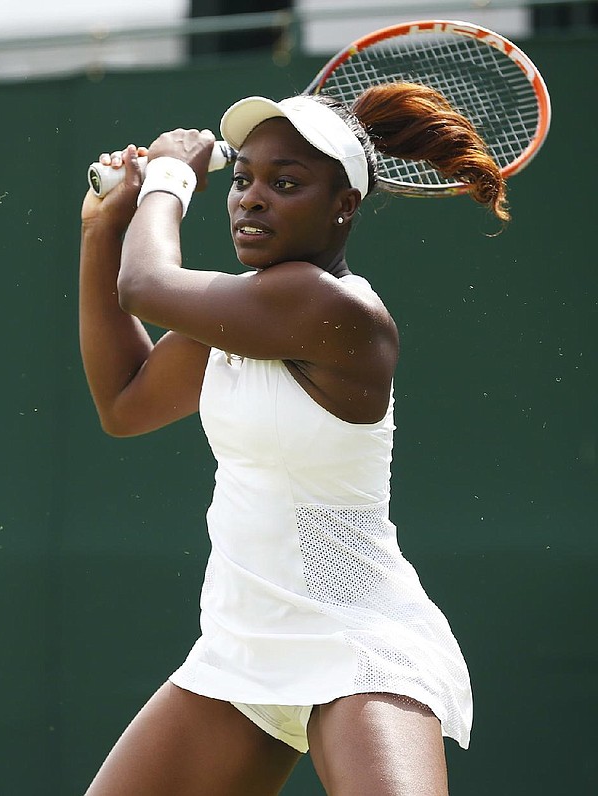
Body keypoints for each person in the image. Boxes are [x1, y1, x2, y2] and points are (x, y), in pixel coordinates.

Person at [79, 82, 508, 796]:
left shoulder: (328, 306)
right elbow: (125, 403)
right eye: (242, 178)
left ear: (343, 204)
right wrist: (101, 230)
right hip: (242, 652)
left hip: (356, 644)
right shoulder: (242, 316)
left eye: (285, 183)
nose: (250, 197)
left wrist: (170, 176)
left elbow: (146, 286)